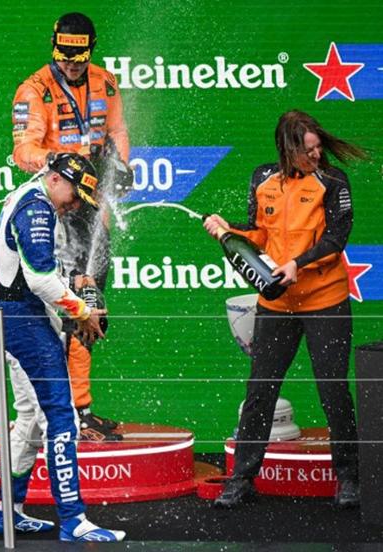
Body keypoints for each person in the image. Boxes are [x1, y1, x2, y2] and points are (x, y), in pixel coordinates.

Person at [204, 110, 367, 509]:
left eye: (317, 148)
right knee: (260, 390)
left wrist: (299, 263)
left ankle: (349, 479)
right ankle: (242, 480)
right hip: (276, 304)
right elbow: (259, 232)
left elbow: (336, 238)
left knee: (333, 391)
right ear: (287, 148)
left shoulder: (332, 181)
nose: (315, 156)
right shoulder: (263, 179)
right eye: (307, 150)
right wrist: (229, 231)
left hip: (324, 300)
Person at [0, 152, 125, 542]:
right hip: (26, 321)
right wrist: (82, 311)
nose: (74, 205)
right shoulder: (37, 208)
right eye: (74, 195)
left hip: (15, 317)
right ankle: (73, 519)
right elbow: (40, 282)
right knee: (61, 418)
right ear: (56, 179)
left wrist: (75, 281)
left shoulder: (29, 196)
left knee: (31, 419)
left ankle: (8, 511)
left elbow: (41, 272)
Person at [11, 12, 132, 440]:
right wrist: (61, 164)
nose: (72, 66)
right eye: (65, 57)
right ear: (54, 48)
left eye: (80, 58)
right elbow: (23, 150)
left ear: (92, 49)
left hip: (91, 207)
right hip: (56, 204)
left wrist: (119, 164)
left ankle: (80, 407)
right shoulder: (35, 90)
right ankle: (57, 412)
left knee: (90, 301)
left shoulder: (106, 82)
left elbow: (117, 130)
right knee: (61, 305)